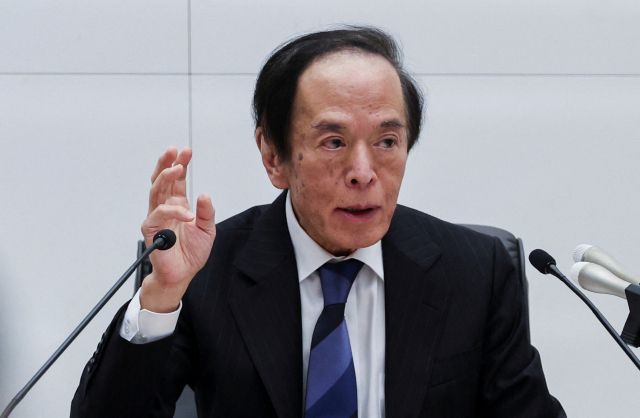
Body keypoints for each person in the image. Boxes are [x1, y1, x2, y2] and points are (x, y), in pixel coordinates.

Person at [71, 27, 565, 417]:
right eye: (333, 142)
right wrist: (162, 297)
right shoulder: (207, 270)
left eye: (387, 142)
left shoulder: (475, 272)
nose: (363, 172)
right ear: (273, 156)